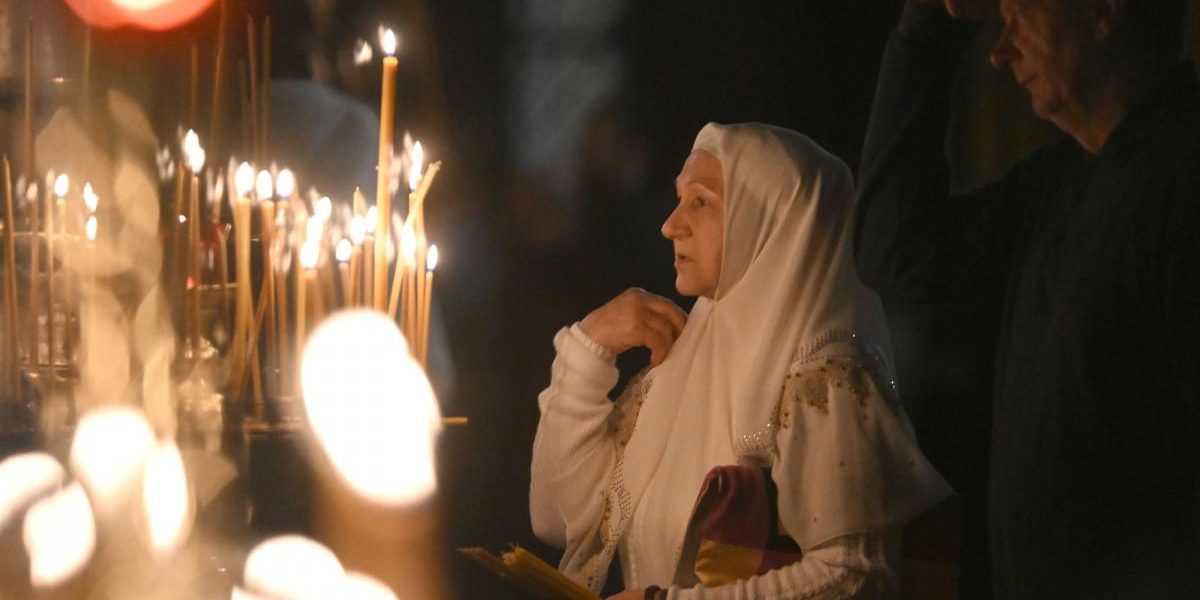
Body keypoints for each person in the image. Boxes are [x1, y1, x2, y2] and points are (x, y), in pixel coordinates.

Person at [854, 1, 1200, 598]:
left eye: (1020, 13)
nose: (999, 50)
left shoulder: (1182, 179)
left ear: (1103, 11)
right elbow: (899, 249)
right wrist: (926, 26)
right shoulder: (1064, 179)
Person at [530, 122, 951, 599]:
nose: (670, 225)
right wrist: (588, 349)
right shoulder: (686, 365)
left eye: (701, 202)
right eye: (679, 198)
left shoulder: (826, 378)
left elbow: (855, 574)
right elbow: (559, 520)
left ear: (770, 220)